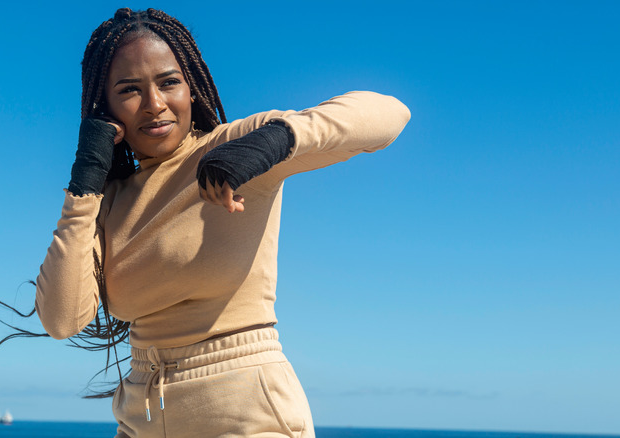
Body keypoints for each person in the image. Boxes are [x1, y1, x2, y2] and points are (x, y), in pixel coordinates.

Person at [36, 7, 410, 438]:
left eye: (169, 82)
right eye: (130, 90)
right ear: (107, 109)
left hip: (247, 416)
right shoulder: (108, 201)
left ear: (191, 87)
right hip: (141, 417)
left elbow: (389, 114)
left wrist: (275, 140)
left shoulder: (232, 148)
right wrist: (85, 180)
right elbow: (61, 319)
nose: (155, 104)